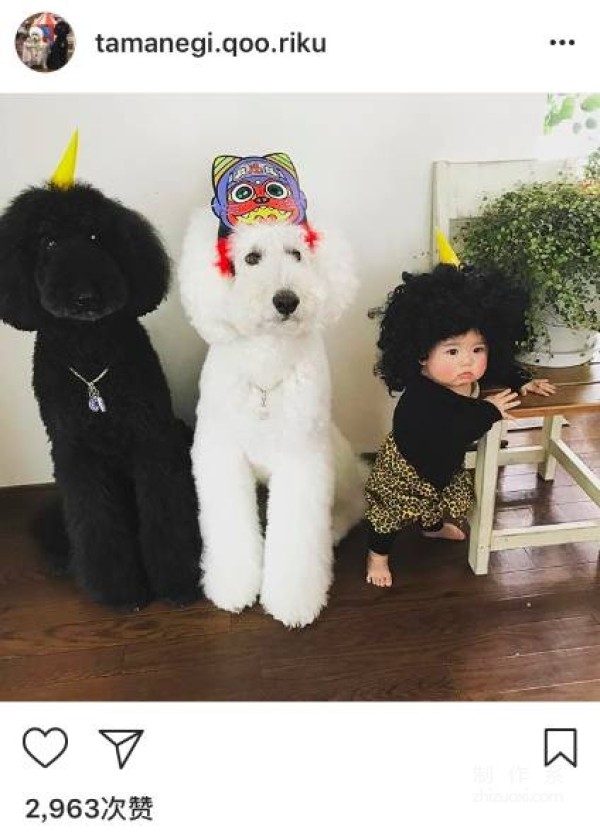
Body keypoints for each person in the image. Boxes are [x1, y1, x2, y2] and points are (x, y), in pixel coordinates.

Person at [365, 262, 555, 587]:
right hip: (409, 470)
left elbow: (495, 370)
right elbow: (454, 429)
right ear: (421, 356)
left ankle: (432, 526)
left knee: (438, 501)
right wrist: (489, 411)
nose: (467, 361)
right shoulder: (422, 398)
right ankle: (377, 556)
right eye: (452, 351)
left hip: (443, 465)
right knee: (389, 517)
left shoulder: (464, 375)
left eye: (477, 349)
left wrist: (522, 381)